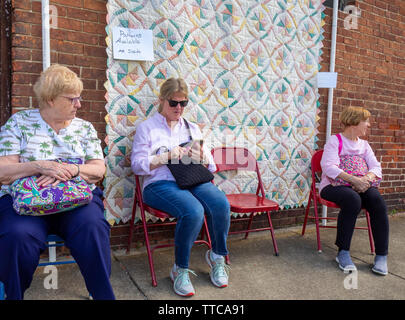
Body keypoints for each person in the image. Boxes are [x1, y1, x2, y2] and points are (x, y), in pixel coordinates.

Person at [0, 64, 115, 300]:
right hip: (26, 204)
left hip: (76, 201)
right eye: (72, 99)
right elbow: (3, 171)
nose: (79, 104)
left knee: (93, 228)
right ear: (50, 99)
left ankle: (103, 295)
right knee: (17, 236)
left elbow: (98, 169)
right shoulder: (19, 123)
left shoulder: (84, 128)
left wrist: (70, 169)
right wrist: (38, 166)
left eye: (79, 98)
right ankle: (14, 295)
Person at [131, 77, 231, 297]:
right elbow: (137, 166)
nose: (178, 108)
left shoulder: (191, 128)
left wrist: (201, 156)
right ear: (161, 100)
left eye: (183, 103)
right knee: (193, 211)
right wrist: (165, 156)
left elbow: (211, 166)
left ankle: (217, 257)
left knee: (221, 204)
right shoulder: (147, 128)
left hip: (191, 179)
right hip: (159, 183)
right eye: (173, 103)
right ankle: (180, 269)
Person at [319, 106, 389, 275]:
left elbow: (376, 167)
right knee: (353, 200)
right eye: (366, 121)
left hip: (362, 183)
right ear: (355, 122)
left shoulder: (364, 145)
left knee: (377, 201)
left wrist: (366, 179)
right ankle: (343, 252)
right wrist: (354, 180)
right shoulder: (335, 141)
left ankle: (381, 256)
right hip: (333, 186)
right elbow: (328, 167)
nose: (369, 125)